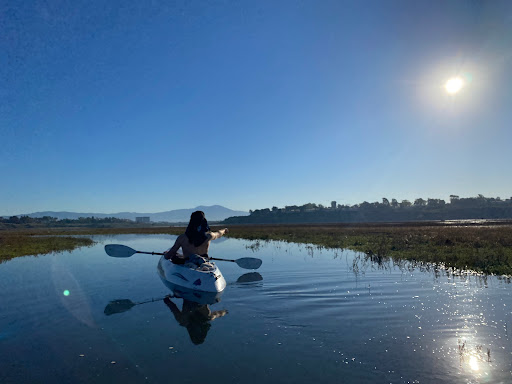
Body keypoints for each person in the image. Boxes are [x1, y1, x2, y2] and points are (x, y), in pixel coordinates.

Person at [164, 211, 228, 267]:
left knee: (175, 257)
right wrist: (224, 230)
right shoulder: (209, 236)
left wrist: (166, 255)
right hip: (203, 261)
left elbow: (169, 255)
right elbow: (219, 233)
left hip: (188, 262)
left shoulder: (182, 238)